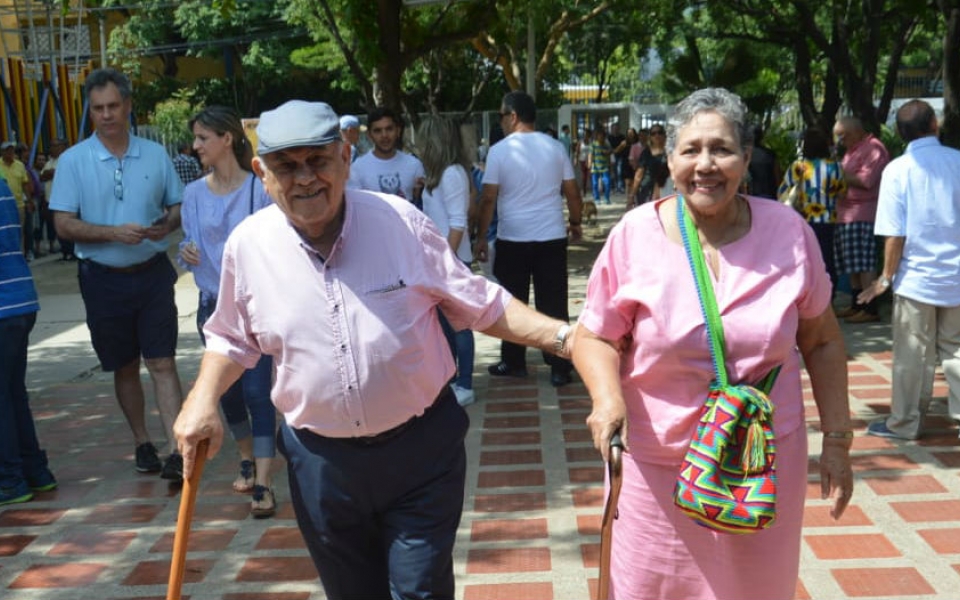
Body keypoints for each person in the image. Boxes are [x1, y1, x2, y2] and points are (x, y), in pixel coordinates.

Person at [172, 100, 575, 600]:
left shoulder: (400, 223)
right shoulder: (248, 247)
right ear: (261, 171)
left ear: (345, 156)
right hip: (322, 464)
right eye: (286, 166)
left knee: (420, 591)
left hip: (420, 453)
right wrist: (202, 400)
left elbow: (479, 302)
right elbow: (232, 336)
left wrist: (566, 338)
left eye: (317, 161)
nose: (305, 179)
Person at [572, 87, 853, 600]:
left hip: (760, 465)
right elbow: (594, 335)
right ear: (671, 157)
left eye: (721, 149)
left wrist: (837, 441)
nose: (706, 165)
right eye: (691, 149)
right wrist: (607, 399)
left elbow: (823, 341)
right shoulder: (634, 236)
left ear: (747, 158)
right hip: (659, 467)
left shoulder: (790, 233)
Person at [49, 68, 186, 481]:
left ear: (127, 105)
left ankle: (177, 449)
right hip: (102, 278)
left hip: (152, 273)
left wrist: (168, 223)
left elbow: (178, 205)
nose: (107, 115)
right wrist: (111, 232)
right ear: (90, 112)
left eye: (113, 106)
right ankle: (142, 440)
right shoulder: (73, 161)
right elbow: (63, 224)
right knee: (124, 365)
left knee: (162, 361)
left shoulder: (155, 154)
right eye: (98, 109)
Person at [178, 105, 277, 516]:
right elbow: (189, 247)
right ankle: (247, 458)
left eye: (203, 138)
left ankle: (266, 484)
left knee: (257, 392)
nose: (196, 146)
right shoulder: (193, 194)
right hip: (211, 307)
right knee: (229, 393)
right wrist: (185, 254)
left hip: (253, 307)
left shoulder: (259, 188)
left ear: (227, 139)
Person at [859, 99, 960, 441]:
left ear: (900, 133)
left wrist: (885, 279)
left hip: (916, 278)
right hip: (957, 275)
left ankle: (905, 423)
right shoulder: (958, 162)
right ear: (934, 123)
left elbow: (894, 233)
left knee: (911, 355)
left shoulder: (898, 170)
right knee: (956, 349)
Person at [476, 91, 583, 388]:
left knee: (513, 304)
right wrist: (575, 222)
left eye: (501, 115)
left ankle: (513, 361)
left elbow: (488, 199)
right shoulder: (555, 148)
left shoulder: (499, 151)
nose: (501, 121)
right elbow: (573, 191)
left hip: (513, 238)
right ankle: (560, 366)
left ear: (512, 116)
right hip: (551, 236)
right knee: (554, 303)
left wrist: (481, 236)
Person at [1, 177, 57, 506]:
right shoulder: (2, 184)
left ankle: (10, 479)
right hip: (20, 301)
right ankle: (35, 471)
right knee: (12, 393)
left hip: (4, 307)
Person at [418, 115, 477, 407]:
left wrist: (445, 262)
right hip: (441, 260)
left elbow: (457, 223)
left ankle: (465, 382)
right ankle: (455, 378)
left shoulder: (452, 173)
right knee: (445, 326)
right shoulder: (440, 174)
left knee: (460, 326)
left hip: (451, 262)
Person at [832, 116, 890, 323]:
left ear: (854, 132)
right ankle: (857, 304)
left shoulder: (874, 149)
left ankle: (870, 308)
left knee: (864, 263)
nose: (840, 141)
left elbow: (866, 181)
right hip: (846, 214)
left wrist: (836, 172)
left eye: (842, 136)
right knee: (853, 264)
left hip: (863, 213)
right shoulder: (853, 149)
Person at [778, 127, 847, 298]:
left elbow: (783, 191)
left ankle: (808, 296)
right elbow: (842, 193)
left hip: (804, 219)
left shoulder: (799, 167)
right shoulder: (836, 167)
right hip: (829, 220)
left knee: (805, 258)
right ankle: (829, 297)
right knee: (827, 258)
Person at [347, 106, 425, 207]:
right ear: (369, 135)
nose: (384, 135)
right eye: (378, 131)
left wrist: (418, 195)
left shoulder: (414, 165)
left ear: (398, 131)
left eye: (389, 129)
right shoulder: (357, 169)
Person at [40, 138, 74, 260]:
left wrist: (50, 173)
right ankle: (65, 251)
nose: (52, 148)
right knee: (56, 227)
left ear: (63, 147)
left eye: (55, 145)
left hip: (65, 200)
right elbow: (42, 177)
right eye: (51, 145)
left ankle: (72, 251)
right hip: (50, 200)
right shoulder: (49, 162)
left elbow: (57, 173)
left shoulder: (67, 158)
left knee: (67, 226)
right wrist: (50, 172)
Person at [0, 141, 35, 259]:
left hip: (19, 205)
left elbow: (25, 184)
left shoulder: (19, 165)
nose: (10, 152)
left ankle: (18, 254)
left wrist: (29, 201)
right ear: (2, 152)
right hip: (3, 206)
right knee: (5, 230)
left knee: (19, 230)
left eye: (12, 150)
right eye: (7, 150)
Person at [629, 123, 667, 207]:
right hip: (646, 191)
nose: (657, 135)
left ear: (664, 135)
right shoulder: (646, 153)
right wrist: (632, 196)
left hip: (666, 190)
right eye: (653, 133)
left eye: (659, 132)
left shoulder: (670, 152)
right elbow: (639, 175)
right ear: (650, 137)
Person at [747, 124, 782, 199]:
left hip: (752, 196)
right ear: (762, 137)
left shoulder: (745, 155)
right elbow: (778, 177)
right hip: (771, 196)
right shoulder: (770, 154)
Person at [588, 127, 612, 205]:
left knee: (607, 182)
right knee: (595, 183)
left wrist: (609, 163)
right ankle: (597, 198)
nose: (601, 137)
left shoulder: (607, 144)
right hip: (595, 167)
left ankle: (607, 198)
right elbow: (590, 154)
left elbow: (609, 154)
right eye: (599, 135)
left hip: (605, 166)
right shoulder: (593, 144)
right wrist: (590, 164)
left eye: (602, 136)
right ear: (597, 136)